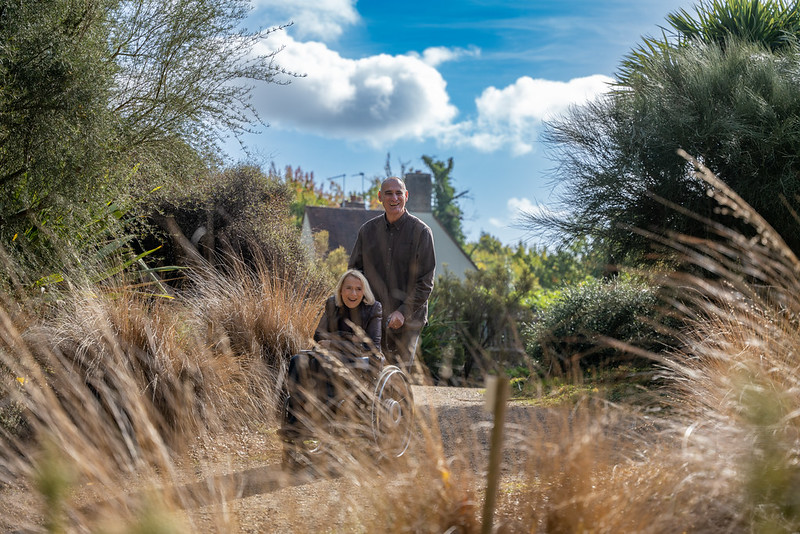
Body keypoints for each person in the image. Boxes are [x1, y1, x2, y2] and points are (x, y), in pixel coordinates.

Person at [280, 269, 383, 456]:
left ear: (364, 291)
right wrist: (349, 338)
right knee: (297, 360)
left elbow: (371, 346)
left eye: (358, 289)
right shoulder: (331, 304)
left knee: (326, 360)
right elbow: (318, 336)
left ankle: (324, 421)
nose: (353, 293)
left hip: (360, 363)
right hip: (327, 356)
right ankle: (296, 422)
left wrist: (334, 341)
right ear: (341, 290)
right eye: (348, 288)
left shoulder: (373, 308)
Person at [349, 176, 436, 371]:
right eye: (388, 193)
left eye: (398, 193)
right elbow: (355, 273)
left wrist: (403, 311)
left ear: (406, 196)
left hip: (409, 319)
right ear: (380, 197)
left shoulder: (422, 232)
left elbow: (426, 281)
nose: (394, 198)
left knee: (398, 376)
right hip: (373, 316)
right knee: (370, 373)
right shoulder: (367, 231)